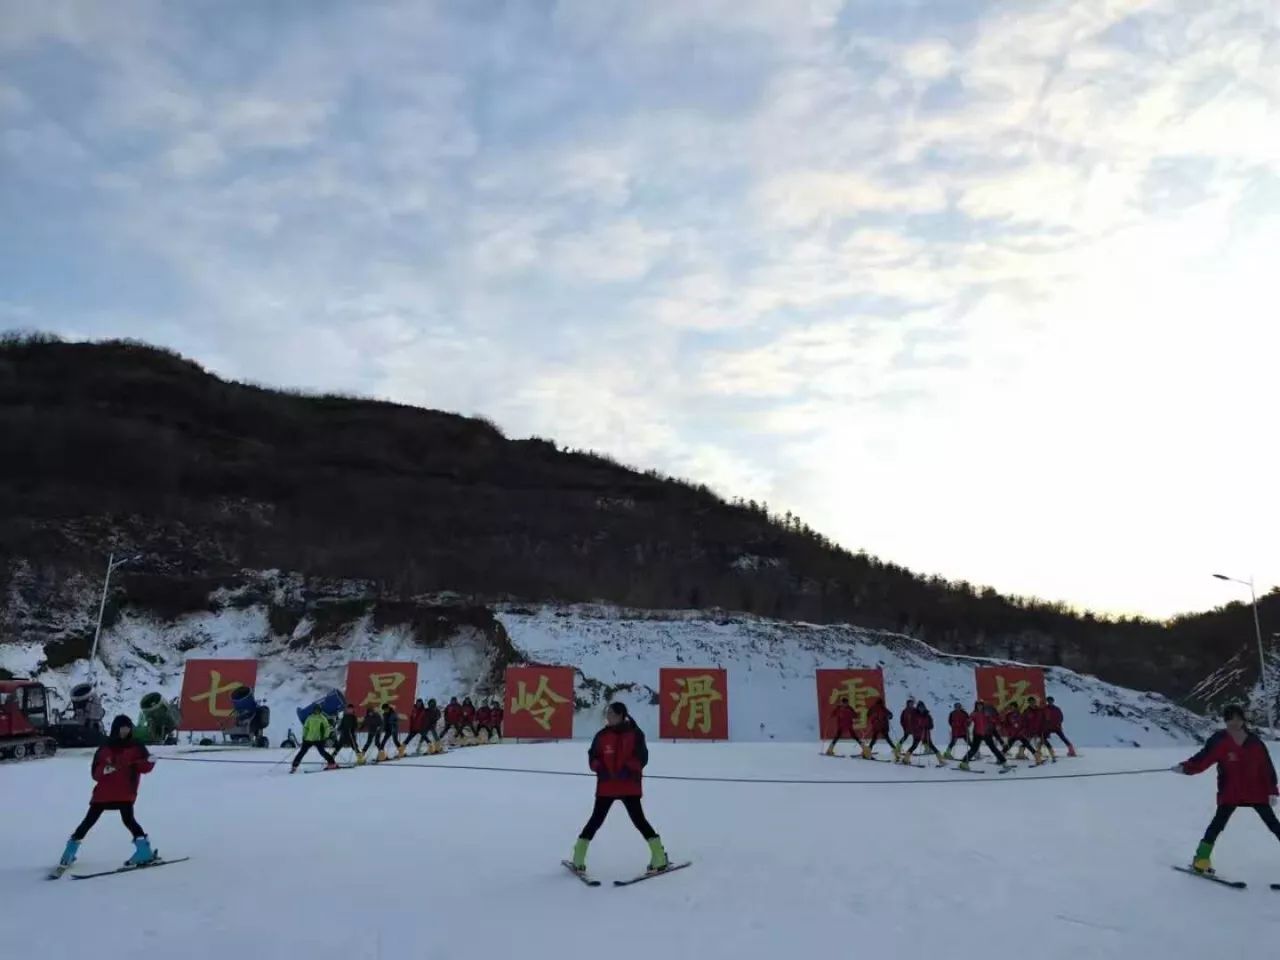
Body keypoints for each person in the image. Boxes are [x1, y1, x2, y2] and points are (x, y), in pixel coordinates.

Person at [1174, 704, 1280, 874]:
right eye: (1230, 718)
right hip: (1231, 792)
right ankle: (1201, 860)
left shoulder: (1255, 742)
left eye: (1237, 718)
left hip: (1256, 791)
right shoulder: (1219, 740)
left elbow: (1266, 768)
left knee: (1274, 825)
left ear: (1243, 720)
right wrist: (1185, 767)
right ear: (1225, 720)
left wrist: (1272, 790)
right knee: (1217, 825)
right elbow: (1203, 758)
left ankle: (1201, 860)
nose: (1234, 722)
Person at [569, 702, 669, 875]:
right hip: (606, 787)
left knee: (639, 821)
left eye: (612, 714)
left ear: (622, 715)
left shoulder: (636, 734)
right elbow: (593, 756)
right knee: (595, 821)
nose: (608, 717)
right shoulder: (601, 736)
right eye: (607, 713)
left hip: (629, 786)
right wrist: (599, 767)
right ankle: (578, 858)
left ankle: (659, 856)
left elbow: (642, 758)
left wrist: (628, 770)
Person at [58, 715, 158, 868]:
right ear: (115, 729)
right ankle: (68, 853)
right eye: (122, 728)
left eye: (127, 728)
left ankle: (144, 851)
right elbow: (95, 773)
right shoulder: (105, 748)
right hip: (104, 793)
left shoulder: (136, 746)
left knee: (129, 820)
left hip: (125, 792)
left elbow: (142, 767)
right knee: (88, 822)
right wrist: (105, 770)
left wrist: (150, 762)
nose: (125, 731)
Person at [959, 700, 1008, 771]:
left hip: (987, 734)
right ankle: (964, 763)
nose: (979, 706)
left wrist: (994, 722)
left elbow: (993, 720)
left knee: (993, 749)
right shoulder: (974, 713)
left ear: (983, 706)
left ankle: (1004, 763)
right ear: (976, 706)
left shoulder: (986, 713)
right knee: (973, 749)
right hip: (977, 734)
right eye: (978, 705)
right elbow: (970, 720)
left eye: (980, 705)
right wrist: (968, 723)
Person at [291, 706, 337, 773]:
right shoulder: (309, 718)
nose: (316, 711)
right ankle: (294, 766)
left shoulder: (322, 718)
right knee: (302, 752)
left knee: (322, 752)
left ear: (320, 710)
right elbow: (306, 728)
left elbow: (327, 728)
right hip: (308, 739)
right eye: (315, 710)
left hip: (319, 739)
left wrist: (325, 737)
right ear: (313, 710)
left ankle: (332, 763)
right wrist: (304, 736)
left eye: (318, 710)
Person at [901, 702, 947, 766]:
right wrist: (919, 727)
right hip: (917, 734)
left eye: (922, 707)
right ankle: (906, 759)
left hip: (926, 734)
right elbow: (912, 724)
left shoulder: (927, 715)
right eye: (920, 707)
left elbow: (931, 725)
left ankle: (941, 760)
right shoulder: (914, 715)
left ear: (924, 707)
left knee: (932, 746)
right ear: (918, 708)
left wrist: (928, 726)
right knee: (914, 746)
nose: (921, 709)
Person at [1023, 697, 1050, 762]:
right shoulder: (1026, 711)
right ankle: (1021, 753)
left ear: (1035, 702)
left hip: (1039, 729)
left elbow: (1044, 719)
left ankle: (1038, 755)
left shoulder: (1040, 710)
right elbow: (1023, 720)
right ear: (1029, 703)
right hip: (1030, 730)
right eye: (1030, 702)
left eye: (1033, 702)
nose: (1032, 703)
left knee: (1040, 742)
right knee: (1027, 742)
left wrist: (1044, 726)